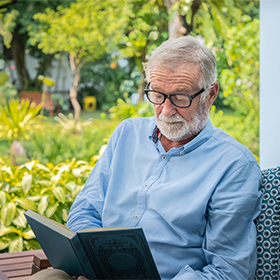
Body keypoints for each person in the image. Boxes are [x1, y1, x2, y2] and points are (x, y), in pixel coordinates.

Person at [64, 36, 262, 280]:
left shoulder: (234, 165)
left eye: (181, 97)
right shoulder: (126, 133)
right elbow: (84, 210)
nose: (166, 111)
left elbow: (229, 271)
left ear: (211, 94)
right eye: (157, 94)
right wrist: (95, 263)